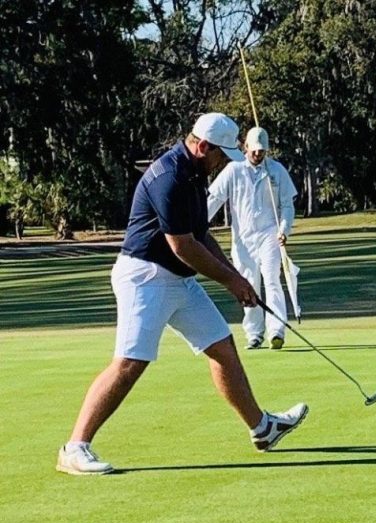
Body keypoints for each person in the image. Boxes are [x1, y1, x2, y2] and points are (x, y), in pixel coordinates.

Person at [56, 113, 308, 476]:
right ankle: (75, 447)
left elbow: (202, 236)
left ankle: (262, 429)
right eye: (220, 154)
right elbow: (183, 246)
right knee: (129, 363)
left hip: (178, 280)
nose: (223, 162)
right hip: (145, 277)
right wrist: (231, 282)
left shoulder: (194, 175)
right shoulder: (169, 176)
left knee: (221, 346)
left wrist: (237, 277)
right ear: (202, 146)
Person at [207, 126, 297, 351]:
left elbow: (287, 205)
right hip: (244, 239)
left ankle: (276, 330)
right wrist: (197, 223)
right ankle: (254, 333)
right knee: (249, 285)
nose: (258, 154)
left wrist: (284, 229)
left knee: (272, 281)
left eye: (262, 151)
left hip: (270, 235)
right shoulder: (233, 170)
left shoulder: (276, 171)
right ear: (245, 147)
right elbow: (215, 199)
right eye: (254, 150)